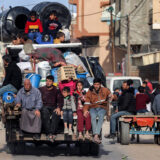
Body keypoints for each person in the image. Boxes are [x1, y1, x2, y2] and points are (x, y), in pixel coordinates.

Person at [83, 78, 117, 144]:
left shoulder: (105, 90)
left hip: (102, 107)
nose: (96, 86)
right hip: (93, 107)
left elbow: (113, 97)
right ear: (93, 84)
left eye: (97, 84)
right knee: (93, 116)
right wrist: (85, 110)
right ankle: (95, 135)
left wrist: (113, 96)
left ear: (100, 84)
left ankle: (96, 135)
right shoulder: (90, 92)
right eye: (95, 84)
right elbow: (87, 102)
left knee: (101, 116)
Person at [39, 75, 63, 141]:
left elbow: (60, 100)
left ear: (52, 82)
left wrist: (59, 108)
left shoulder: (56, 90)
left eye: (49, 81)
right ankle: (48, 133)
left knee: (56, 114)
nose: (48, 82)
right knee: (45, 112)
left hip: (53, 107)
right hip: (44, 106)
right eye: (47, 81)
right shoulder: (41, 89)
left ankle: (52, 133)